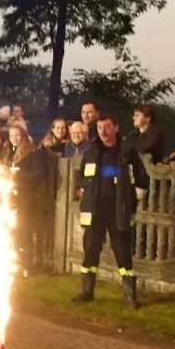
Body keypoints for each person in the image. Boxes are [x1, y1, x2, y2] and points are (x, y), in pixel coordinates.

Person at [73, 114, 149, 309]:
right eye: (99, 127)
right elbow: (82, 177)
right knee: (90, 250)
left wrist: (131, 203)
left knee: (122, 252)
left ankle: (130, 296)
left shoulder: (127, 152)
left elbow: (142, 181)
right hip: (95, 210)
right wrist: (84, 191)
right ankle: (86, 291)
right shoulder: (91, 152)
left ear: (115, 128)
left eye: (107, 127)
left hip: (118, 210)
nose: (103, 131)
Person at [8, 121, 52, 277]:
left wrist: (18, 175)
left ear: (23, 136)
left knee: (24, 230)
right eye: (12, 135)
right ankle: (17, 260)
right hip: (13, 197)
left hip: (27, 197)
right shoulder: (10, 152)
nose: (14, 138)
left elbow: (39, 173)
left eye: (17, 135)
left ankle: (27, 262)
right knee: (15, 230)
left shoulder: (32, 153)